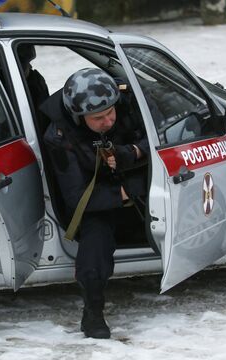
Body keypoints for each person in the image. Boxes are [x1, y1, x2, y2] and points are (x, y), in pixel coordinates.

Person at [40, 68, 148, 339]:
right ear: (79, 116)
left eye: (111, 113)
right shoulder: (58, 138)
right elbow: (76, 198)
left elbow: (159, 136)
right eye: (98, 118)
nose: (108, 121)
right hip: (96, 199)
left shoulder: (123, 103)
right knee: (95, 246)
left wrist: (134, 153)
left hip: (134, 175)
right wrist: (126, 193)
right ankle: (93, 311)